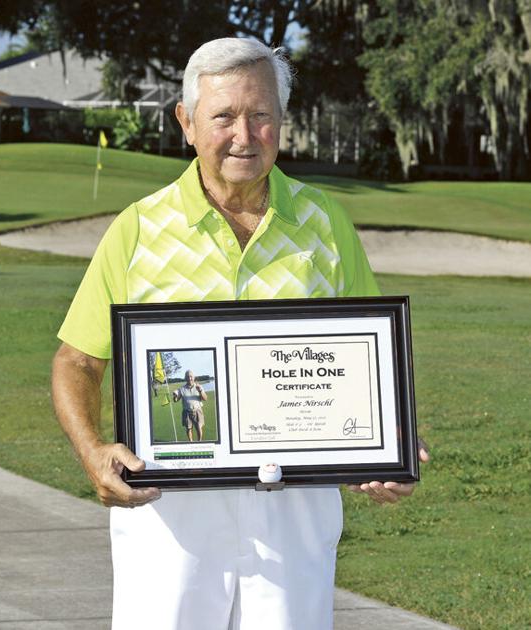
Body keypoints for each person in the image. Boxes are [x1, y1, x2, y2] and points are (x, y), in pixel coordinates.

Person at [51, 37, 429, 630]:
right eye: (223, 116)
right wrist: (93, 452)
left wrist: (392, 442)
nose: (244, 136)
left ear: (281, 120)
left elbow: (367, 358)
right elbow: (77, 360)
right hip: (169, 510)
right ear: (186, 122)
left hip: (293, 511)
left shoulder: (325, 222)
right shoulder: (137, 228)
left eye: (261, 115)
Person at [172, 369, 208, 441]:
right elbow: (176, 400)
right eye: (188, 377)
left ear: (194, 377)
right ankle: (190, 442)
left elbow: (205, 398)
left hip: (197, 410)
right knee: (188, 428)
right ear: (185, 378)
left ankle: (199, 441)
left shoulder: (199, 387)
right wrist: (175, 396)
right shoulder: (182, 389)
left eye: (191, 376)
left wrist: (200, 391)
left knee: (199, 427)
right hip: (186, 412)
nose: (189, 378)